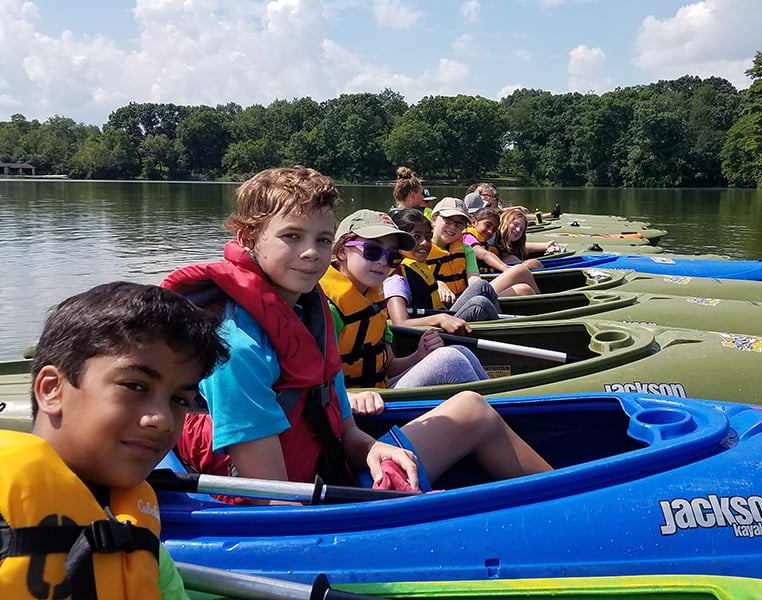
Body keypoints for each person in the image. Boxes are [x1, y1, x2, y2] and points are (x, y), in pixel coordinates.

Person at [163, 167, 551, 499]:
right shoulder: (239, 348)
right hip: (299, 502)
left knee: (473, 409)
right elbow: (271, 497)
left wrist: (373, 450)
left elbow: (347, 432)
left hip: (328, 467)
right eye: (292, 236)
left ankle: (563, 496)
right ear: (248, 239)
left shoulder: (308, 313)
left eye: (320, 238)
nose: (311, 252)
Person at [1, 281, 228, 599]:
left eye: (179, 400)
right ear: (52, 389)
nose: (161, 419)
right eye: (135, 386)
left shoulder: (136, 533)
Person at [322, 209, 491, 389]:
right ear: (341, 252)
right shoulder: (327, 310)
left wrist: (419, 355)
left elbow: (388, 366)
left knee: (459, 350)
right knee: (450, 360)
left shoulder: (374, 300)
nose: (382, 262)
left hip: (379, 390)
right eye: (372, 251)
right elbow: (307, 386)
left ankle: (492, 407)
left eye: (392, 256)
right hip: (352, 404)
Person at [387, 208, 500, 332]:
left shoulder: (417, 263)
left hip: (440, 315)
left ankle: (504, 326)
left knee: (482, 285)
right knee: (480, 304)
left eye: (428, 237)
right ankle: (505, 336)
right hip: (428, 333)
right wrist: (440, 319)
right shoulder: (396, 278)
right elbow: (400, 323)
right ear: (399, 240)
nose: (424, 242)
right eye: (416, 237)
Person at [430, 197, 540, 300]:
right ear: (434, 219)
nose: (453, 226)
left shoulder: (466, 249)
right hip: (445, 305)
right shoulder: (421, 249)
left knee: (523, 289)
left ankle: (546, 312)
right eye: (448, 220)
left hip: (465, 299)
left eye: (460, 223)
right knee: (520, 270)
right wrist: (437, 283)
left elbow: (474, 279)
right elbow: (484, 254)